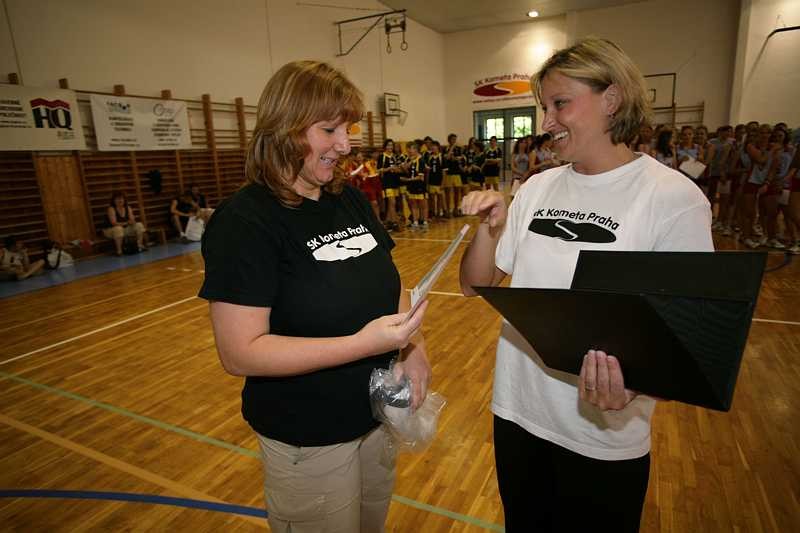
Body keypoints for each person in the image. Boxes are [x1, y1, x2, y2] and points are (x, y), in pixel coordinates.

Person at [459, 38, 712, 533]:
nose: (546, 121)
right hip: (518, 414)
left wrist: (634, 388)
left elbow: (689, 337)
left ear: (611, 99)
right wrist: (490, 228)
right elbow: (475, 284)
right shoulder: (537, 187)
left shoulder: (672, 198)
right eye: (544, 107)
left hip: (602, 437)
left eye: (560, 104)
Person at [198, 60, 430, 533]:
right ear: (285, 129)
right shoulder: (245, 221)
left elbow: (391, 286)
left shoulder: (347, 198)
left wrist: (415, 349)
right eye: (329, 130)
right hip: (308, 437)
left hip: (374, 418)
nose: (345, 145)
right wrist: (363, 344)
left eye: (348, 129)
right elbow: (240, 352)